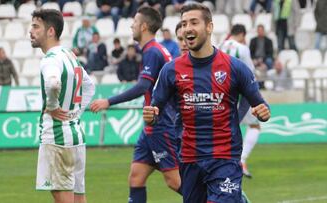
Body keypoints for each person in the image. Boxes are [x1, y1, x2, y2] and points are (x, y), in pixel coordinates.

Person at [143, 3, 270, 203]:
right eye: (184, 24)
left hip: (224, 158)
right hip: (189, 159)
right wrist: (151, 116)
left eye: (194, 22)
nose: (187, 29)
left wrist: (263, 111)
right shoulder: (171, 70)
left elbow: (260, 104)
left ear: (209, 27)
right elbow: (155, 110)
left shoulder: (234, 67)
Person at [90, 6, 181, 203]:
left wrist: (108, 101)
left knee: (175, 181)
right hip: (150, 127)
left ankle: (222, 199)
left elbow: (142, 87)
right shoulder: (154, 50)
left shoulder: (153, 52)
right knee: (136, 177)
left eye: (135, 22)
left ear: (145, 26)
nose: (131, 25)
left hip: (161, 124)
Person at [29, 8, 95, 203]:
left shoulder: (50, 59)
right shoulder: (69, 55)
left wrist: (52, 106)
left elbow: (52, 83)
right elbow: (89, 86)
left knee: (63, 198)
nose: (30, 31)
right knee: (78, 198)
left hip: (57, 138)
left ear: (50, 31)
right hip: (76, 136)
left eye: (35, 26)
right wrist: (75, 114)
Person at [220, 24, 262, 179]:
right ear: (243, 35)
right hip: (240, 93)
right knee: (255, 125)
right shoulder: (243, 48)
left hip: (222, 93)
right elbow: (250, 74)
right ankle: (241, 160)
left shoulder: (219, 45)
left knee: (223, 127)